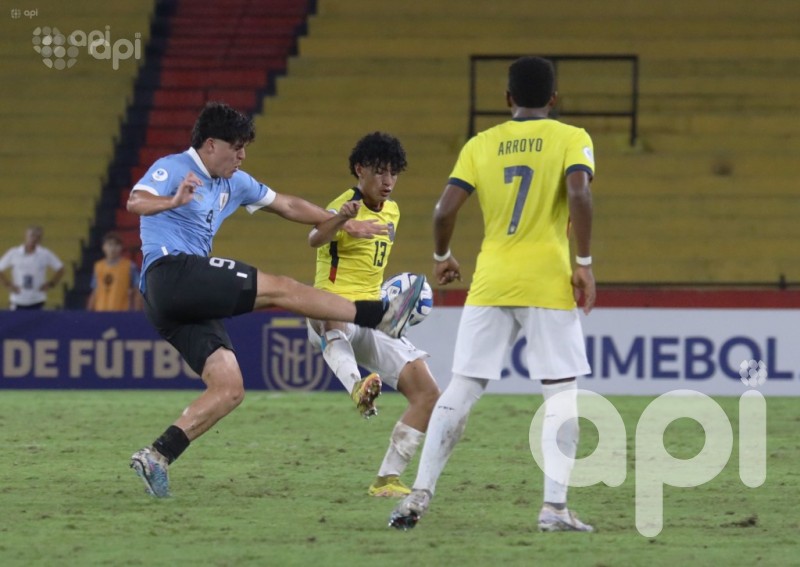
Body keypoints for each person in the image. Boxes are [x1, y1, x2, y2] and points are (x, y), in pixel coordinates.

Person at [126, 101, 425, 498]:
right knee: (281, 287)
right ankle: (376, 315)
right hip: (169, 272)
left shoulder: (236, 182)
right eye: (236, 147)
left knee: (229, 387)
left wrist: (342, 221)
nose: (242, 155)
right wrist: (173, 201)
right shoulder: (176, 167)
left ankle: (157, 456)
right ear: (211, 144)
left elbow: (286, 205)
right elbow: (136, 200)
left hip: (178, 300)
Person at [389, 56, 597, 532]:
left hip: (492, 279)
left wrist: (442, 255)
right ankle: (554, 509)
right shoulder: (572, 138)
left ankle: (418, 495)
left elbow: (444, 209)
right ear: (554, 99)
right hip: (548, 278)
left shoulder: (480, 145)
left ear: (507, 99)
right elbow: (581, 196)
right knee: (561, 395)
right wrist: (583, 265)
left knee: (462, 386)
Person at [307, 132, 441, 497]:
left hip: (370, 316)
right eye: (380, 172)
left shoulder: (393, 210)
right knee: (333, 317)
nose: (387, 181)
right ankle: (356, 387)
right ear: (359, 169)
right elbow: (314, 239)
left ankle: (386, 480)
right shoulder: (343, 205)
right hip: (329, 309)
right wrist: (341, 221)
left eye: (393, 173)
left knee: (428, 393)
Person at [0, 225, 64, 310]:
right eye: (32, 235)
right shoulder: (14, 253)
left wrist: (51, 284)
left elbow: (60, 269)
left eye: (38, 237)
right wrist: (8, 284)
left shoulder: (45, 254)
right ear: (26, 236)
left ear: (40, 239)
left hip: (37, 298)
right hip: (18, 298)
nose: (34, 239)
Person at [86, 231, 143, 311]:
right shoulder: (98, 266)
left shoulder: (129, 266)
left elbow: (137, 290)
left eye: (116, 245)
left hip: (122, 313)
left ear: (121, 247)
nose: (113, 248)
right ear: (104, 247)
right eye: (110, 244)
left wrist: (137, 313)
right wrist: (89, 312)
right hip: (100, 313)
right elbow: (95, 291)